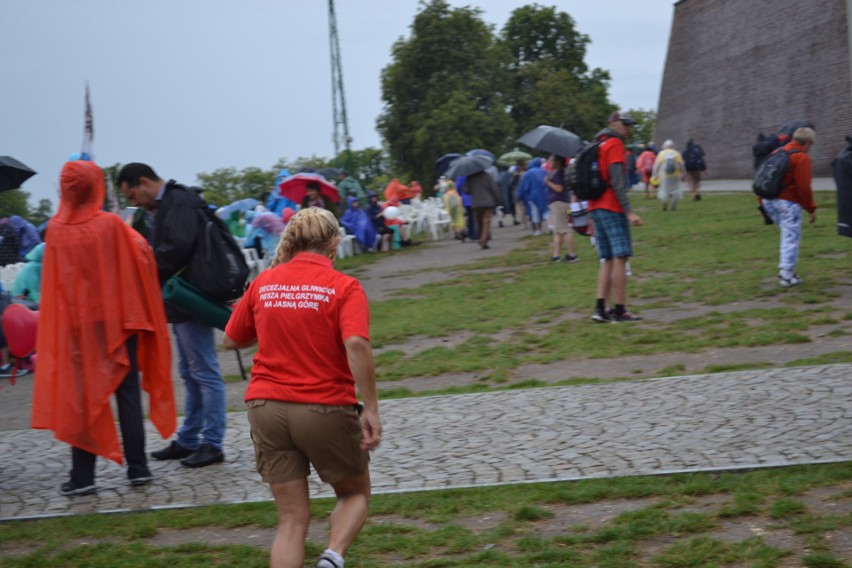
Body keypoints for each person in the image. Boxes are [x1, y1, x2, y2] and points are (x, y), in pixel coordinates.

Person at [223, 207, 382, 568]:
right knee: (354, 492)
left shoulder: (264, 281)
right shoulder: (344, 287)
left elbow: (232, 339)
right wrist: (370, 408)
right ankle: (332, 556)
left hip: (265, 407)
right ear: (334, 244)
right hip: (323, 406)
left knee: (291, 520)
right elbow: (356, 344)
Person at [32, 159, 175, 496]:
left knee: (82, 399)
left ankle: (83, 476)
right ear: (96, 186)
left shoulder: (55, 229)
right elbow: (142, 252)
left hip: (77, 328)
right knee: (127, 396)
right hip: (116, 322)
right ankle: (137, 469)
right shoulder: (111, 225)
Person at [118, 162, 227, 468]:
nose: (136, 203)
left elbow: (176, 248)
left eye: (134, 196)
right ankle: (190, 439)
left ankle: (213, 443)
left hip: (191, 296)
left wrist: (142, 264)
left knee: (203, 372)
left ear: (143, 182)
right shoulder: (170, 202)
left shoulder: (178, 199)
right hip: (183, 298)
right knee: (191, 372)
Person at [589, 110, 644, 323]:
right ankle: (620, 309)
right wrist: (629, 211)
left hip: (596, 207)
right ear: (614, 123)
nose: (628, 128)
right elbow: (618, 182)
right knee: (621, 257)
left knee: (607, 259)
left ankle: (600, 308)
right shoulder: (614, 145)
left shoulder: (598, 143)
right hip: (612, 206)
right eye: (625, 124)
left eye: (630, 125)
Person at [761, 127, 817, 288]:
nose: (810, 148)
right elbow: (804, 187)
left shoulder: (778, 151)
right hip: (788, 202)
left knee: (787, 235)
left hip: (768, 200)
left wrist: (761, 201)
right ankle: (786, 275)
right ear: (806, 142)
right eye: (811, 144)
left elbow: (765, 175)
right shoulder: (801, 158)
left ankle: (789, 273)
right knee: (791, 238)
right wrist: (811, 209)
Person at [544, 155, 578, 263]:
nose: (550, 162)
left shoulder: (559, 173)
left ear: (558, 161)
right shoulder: (556, 172)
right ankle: (556, 255)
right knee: (558, 230)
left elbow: (559, 188)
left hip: (559, 203)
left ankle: (572, 254)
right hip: (558, 202)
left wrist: (548, 182)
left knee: (564, 230)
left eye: (552, 160)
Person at [465, 169, 502, 249]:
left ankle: (483, 239)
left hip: (476, 204)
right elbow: (494, 188)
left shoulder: (470, 177)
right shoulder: (487, 175)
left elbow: (465, 190)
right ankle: (484, 240)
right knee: (486, 222)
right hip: (488, 202)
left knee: (479, 223)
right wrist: (499, 200)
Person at [517, 158, 549, 236]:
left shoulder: (528, 173)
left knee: (534, 213)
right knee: (545, 212)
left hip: (532, 195)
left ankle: (537, 230)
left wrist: (519, 196)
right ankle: (548, 227)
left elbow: (524, 187)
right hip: (544, 194)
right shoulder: (544, 171)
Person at [652, 140, 685, 211]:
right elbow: (681, 165)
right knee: (676, 190)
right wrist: (682, 174)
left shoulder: (661, 153)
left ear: (665, 146)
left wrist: (655, 175)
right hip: (675, 176)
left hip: (664, 176)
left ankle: (664, 202)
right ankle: (673, 205)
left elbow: (656, 166)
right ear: (672, 146)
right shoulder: (677, 153)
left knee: (664, 190)